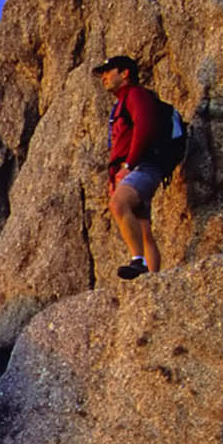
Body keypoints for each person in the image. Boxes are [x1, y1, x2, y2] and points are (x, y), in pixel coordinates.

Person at [93, 54, 168, 280]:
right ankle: (154, 279)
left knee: (119, 204)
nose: (104, 77)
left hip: (142, 166)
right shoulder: (121, 104)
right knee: (144, 228)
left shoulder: (136, 95)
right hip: (133, 168)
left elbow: (144, 128)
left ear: (124, 73)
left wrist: (129, 164)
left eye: (109, 71)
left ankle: (138, 262)